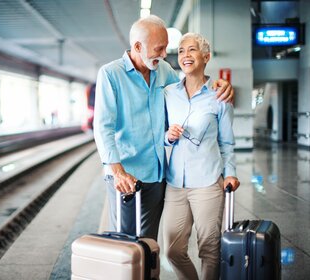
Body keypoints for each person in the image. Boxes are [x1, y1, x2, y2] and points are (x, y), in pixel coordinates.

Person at [93, 15, 233, 240]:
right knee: (126, 243)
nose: (164, 54)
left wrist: (219, 84)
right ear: (138, 46)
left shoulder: (164, 70)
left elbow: (189, 91)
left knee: (149, 244)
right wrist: (117, 172)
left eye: (166, 48)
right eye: (159, 48)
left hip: (157, 175)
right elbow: (103, 127)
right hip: (126, 176)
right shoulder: (111, 74)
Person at [162, 32, 240, 279]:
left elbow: (227, 142)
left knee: (209, 249)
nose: (185, 55)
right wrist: (168, 136)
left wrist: (230, 174)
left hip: (207, 182)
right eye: (182, 50)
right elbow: (161, 134)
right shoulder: (168, 94)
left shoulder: (220, 96)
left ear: (206, 57)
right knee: (173, 250)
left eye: (192, 50)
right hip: (175, 183)